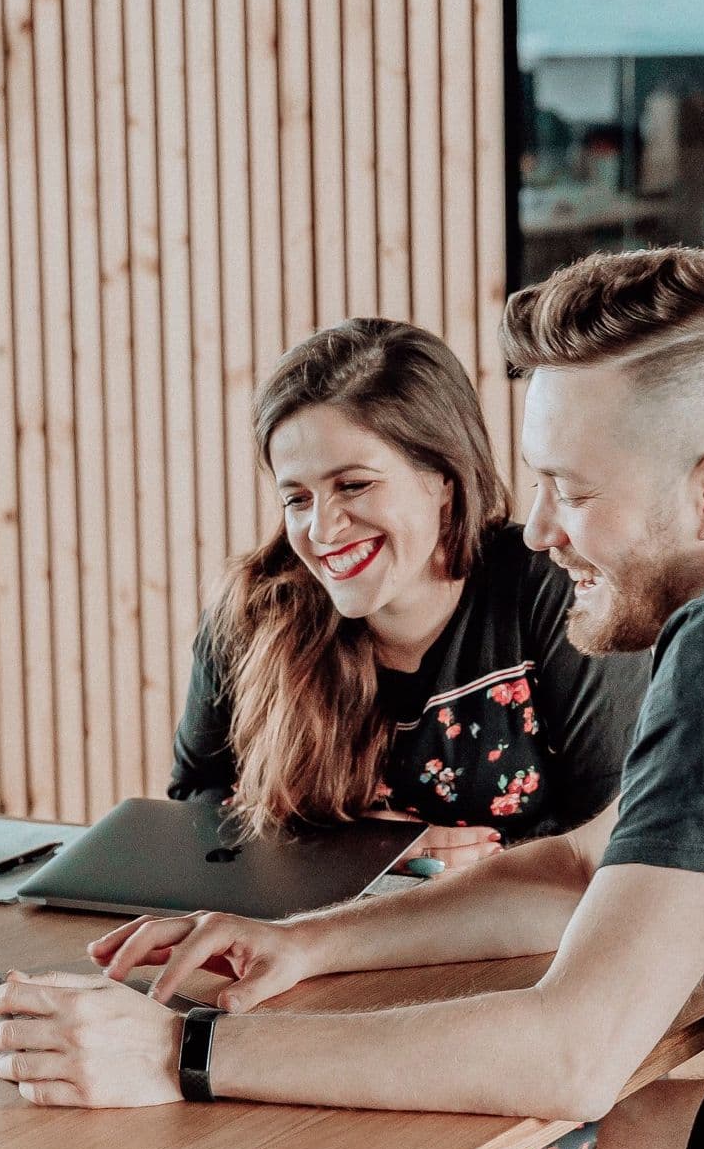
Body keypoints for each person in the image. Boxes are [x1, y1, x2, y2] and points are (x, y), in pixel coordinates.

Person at [0, 246, 704, 1149]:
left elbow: (571, 1052)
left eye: (568, 491)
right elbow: (586, 865)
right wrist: (307, 942)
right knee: (635, 1134)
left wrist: (178, 1049)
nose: (534, 529)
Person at [169, 318, 649, 877]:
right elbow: (194, 807)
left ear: (444, 476)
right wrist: (377, 852)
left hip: (518, 944)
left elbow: (615, 832)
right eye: (297, 498)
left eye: (354, 485)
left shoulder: (554, 590)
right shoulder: (249, 614)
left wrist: (467, 865)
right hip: (310, 945)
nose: (322, 530)